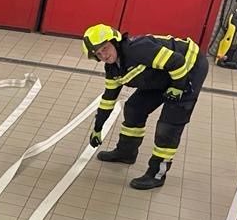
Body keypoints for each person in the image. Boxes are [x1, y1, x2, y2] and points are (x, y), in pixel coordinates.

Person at [83, 24, 208, 190]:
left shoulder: (138, 50)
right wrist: (97, 128)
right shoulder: (113, 70)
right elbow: (108, 99)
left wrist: (178, 87)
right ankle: (126, 152)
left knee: (168, 125)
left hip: (189, 66)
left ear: (115, 42)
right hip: (164, 72)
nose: (104, 55)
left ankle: (156, 174)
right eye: (98, 54)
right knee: (134, 109)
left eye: (105, 48)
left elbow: (177, 61)